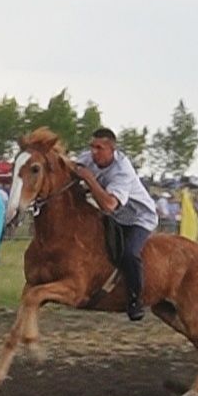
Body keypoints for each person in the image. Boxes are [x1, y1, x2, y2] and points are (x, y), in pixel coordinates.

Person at [73, 127, 160, 321]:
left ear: (112, 149)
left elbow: (109, 204)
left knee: (129, 254)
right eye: (92, 146)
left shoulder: (122, 171)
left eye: (99, 148)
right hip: (114, 217)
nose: (93, 152)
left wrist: (89, 179)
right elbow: (70, 169)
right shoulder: (87, 158)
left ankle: (135, 300)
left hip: (138, 219)